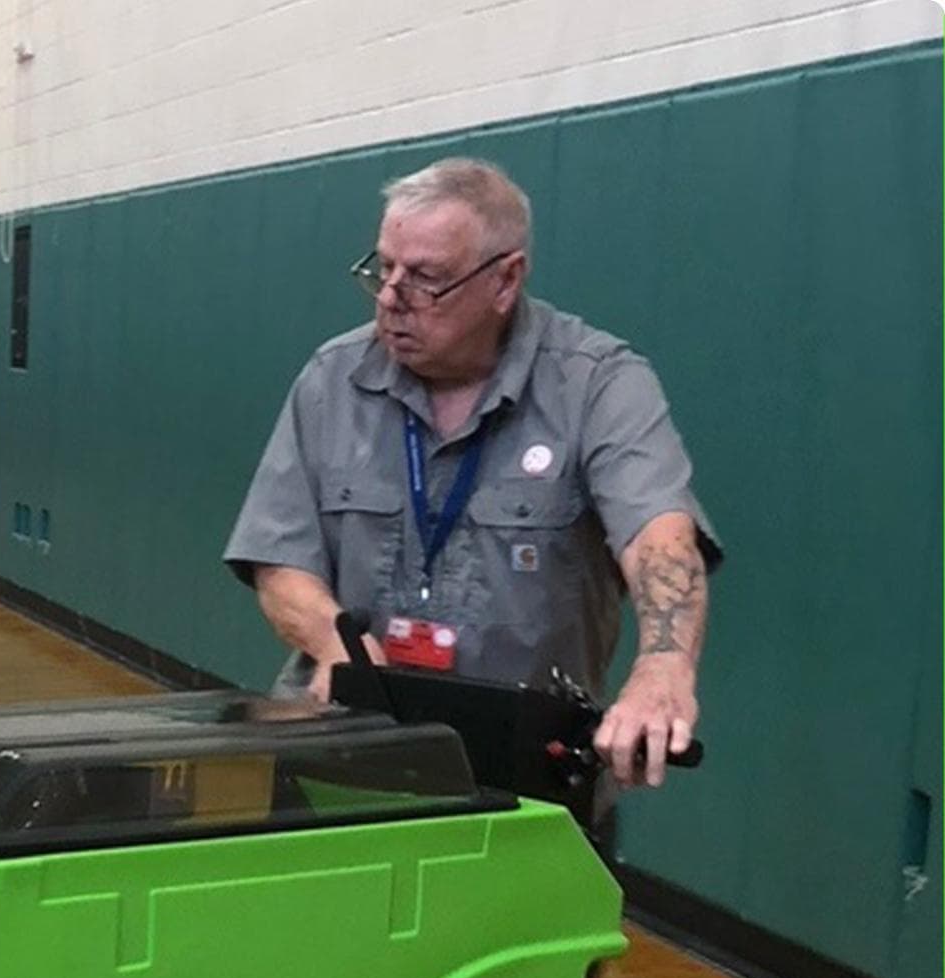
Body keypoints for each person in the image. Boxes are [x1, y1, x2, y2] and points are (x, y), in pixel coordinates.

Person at [224, 157, 719, 789]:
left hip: (522, 776)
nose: (391, 298)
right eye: (383, 269)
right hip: (342, 753)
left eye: (427, 279)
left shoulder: (596, 384)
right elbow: (279, 559)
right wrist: (335, 646)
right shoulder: (332, 380)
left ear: (505, 281)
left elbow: (657, 533)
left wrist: (664, 668)